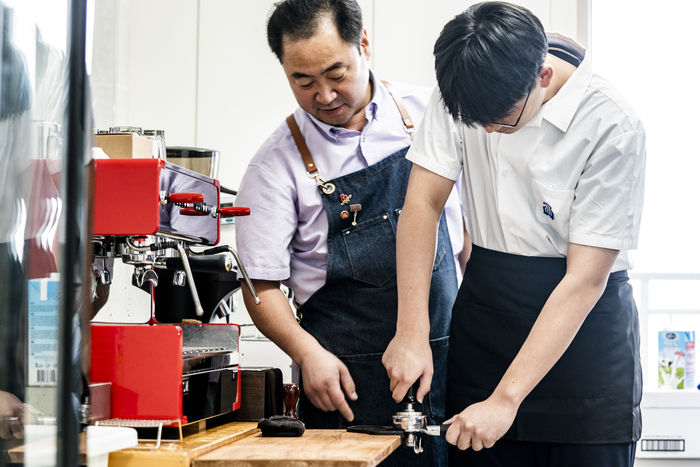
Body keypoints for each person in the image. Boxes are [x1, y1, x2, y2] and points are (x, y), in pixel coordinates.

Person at [382, 2, 646, 466]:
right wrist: (411, 330)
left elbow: (585, 279)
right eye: (475, 122)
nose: (486, 130)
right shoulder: (466, 84)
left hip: (583, 328)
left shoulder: (612, 124)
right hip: (487, 312)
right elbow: (422, 204)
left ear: (542, 77)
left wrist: (505, 401)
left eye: (501, 120)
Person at [235, 0, 468, 465]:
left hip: (452, 361)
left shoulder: (432, 116)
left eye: (335, 73)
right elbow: (260, 285)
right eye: (303, 81)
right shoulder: (273, 165)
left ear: (363, 44)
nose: (323, 95)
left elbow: (470, 240)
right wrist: (306, 353)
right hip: (346, 385)